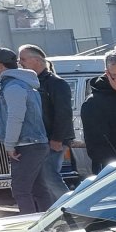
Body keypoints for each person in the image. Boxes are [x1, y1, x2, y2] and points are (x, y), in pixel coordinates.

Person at [0, 47, 52, 213]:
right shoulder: (25, 83)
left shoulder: (12, 86)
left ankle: (29, 224)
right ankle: (50, 223)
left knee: (21, 190)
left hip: (26, 145)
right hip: (36, 143)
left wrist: (9, 145)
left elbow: (16, 117)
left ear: (0, 65)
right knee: (39, 189)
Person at [18, 45, 75, 207]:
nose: (20, 63)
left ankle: (72, 207)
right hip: (41, 139)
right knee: (43, 180)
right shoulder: (32, 83)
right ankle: (58, 210)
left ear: (36, 60)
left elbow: (64, 113)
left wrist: (57, 138)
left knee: (49, 176)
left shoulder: (56, 83)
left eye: (23, 59)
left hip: (54, 139)